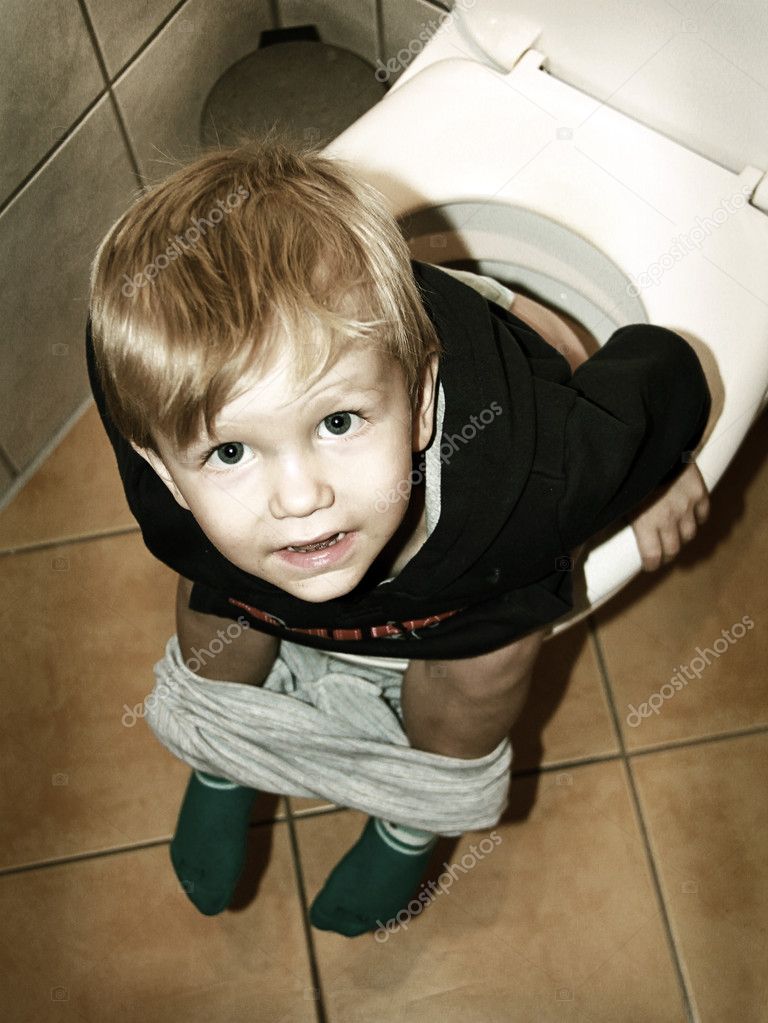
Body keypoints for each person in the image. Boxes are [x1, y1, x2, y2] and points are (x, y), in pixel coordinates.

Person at [85, 137, 711, 938]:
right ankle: (225, 755)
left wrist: (656, 469)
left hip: (471, 577)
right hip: (281, 529)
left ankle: (411, 819)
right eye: (231, 450)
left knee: (489, 659)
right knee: (216, 599)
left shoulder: (537, 471)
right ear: (164, 472)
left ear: (419, 406)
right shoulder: (167, 491)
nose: (300, 497)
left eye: (338, 422)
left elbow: (661, 366)